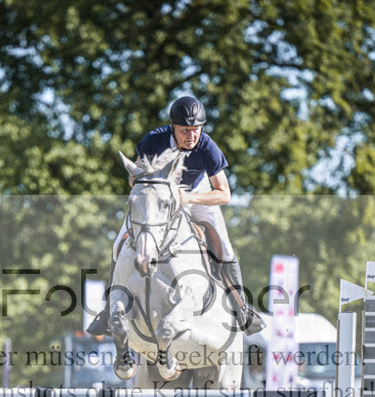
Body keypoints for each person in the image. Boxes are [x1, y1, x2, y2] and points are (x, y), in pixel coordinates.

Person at [87, 95, 265, 336]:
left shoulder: (207, 146)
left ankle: (241, 309)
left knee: (224, 247)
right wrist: (155, 187)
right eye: (184, 131)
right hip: (157, 198)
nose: (191, 136)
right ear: (173, 127)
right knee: (118, 243)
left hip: (195, 196)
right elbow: (134, 181)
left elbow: (224, 194)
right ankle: (109, 311)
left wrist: (187, 198)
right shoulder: (154, 140)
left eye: (196, 130)